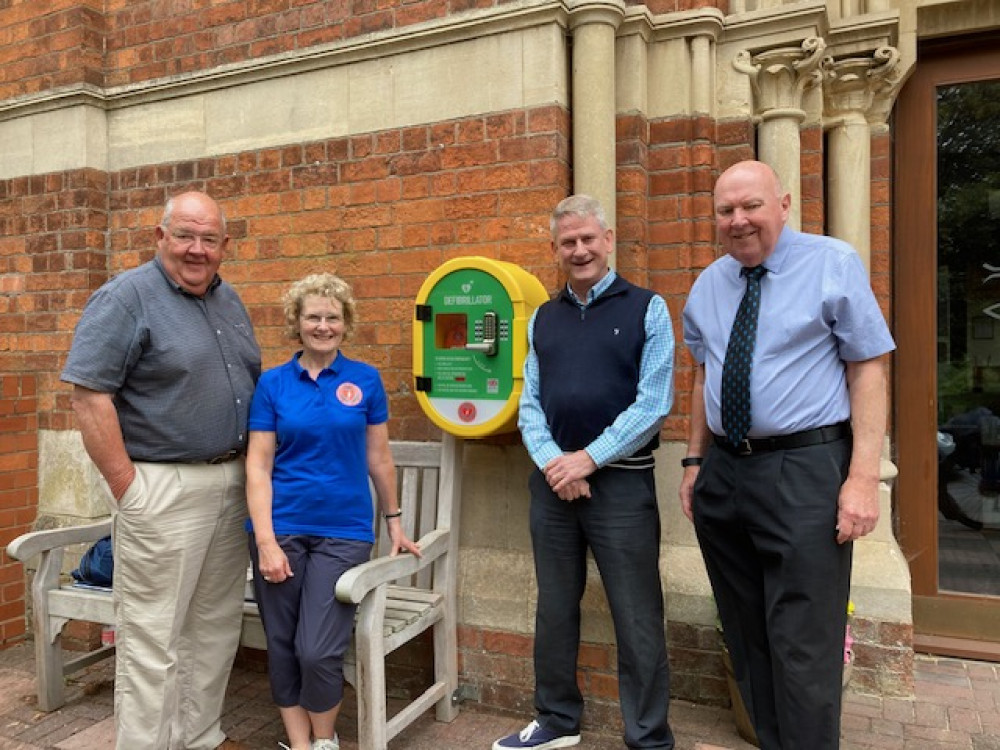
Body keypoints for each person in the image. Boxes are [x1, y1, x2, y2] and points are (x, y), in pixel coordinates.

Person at [679, 160, 896, 750]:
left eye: (750, 205)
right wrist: (695, 462)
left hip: (805, 469)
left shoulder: (832, 263)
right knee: (747, 636)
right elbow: (703, 376)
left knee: (804, 642)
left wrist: (861, 477)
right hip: (726, 471)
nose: (738, 220)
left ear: (785, 203)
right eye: (725, 210)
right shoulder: (709, 283)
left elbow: (868, 366)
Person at [61, 191, 261, 750]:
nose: (197, 250)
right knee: (154, 638)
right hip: (162, 489)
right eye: (185, 236)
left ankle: (198, 737)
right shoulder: (127, 297)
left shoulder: (229, 301)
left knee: (215, 627)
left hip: (230, 484)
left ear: (225, 245)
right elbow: (88, 394)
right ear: (160, 237)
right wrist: (130, 489)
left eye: (210, 239)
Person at [493, 195, 676, 750]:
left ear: (608, 238)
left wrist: (588, 458)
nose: (579, 250)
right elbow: (530, 402)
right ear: (554, 249)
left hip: (621, 484)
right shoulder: (544, 318)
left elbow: (653, 404)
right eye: (567, 242)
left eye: (587, 239)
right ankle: (555, 721)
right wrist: (556, 463)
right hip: (554, 486)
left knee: (637, 613)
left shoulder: (647, 308)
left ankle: (648, 737)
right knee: (553, 606)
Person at [245, 273, 421, 750]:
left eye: (332, 317)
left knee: (317, 648)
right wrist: (264, 541)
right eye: (313, 317)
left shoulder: (364, 379)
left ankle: (326, 740)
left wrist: (395, 522)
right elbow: (258, 466)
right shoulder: (274, 384)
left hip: (343, 531)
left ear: (345, 324)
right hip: (280, 530)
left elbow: (379, 458)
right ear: (296, 324)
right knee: (282, 642)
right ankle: (299, 744)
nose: (323, 325)